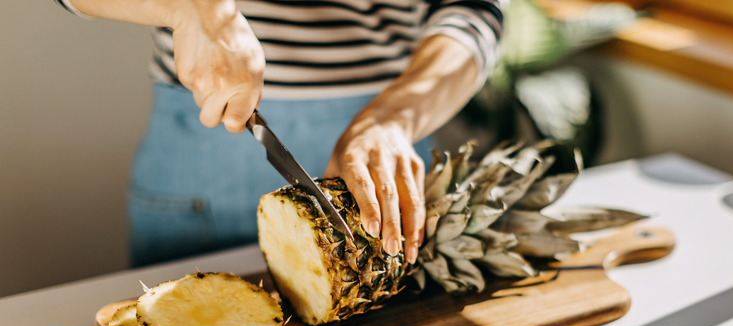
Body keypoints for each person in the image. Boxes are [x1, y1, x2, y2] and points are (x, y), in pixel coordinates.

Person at [54, 0, 503, 267]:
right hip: (205, 160)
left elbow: (472, 12)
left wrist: (394, 118)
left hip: (388, 141)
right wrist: (190, 7)